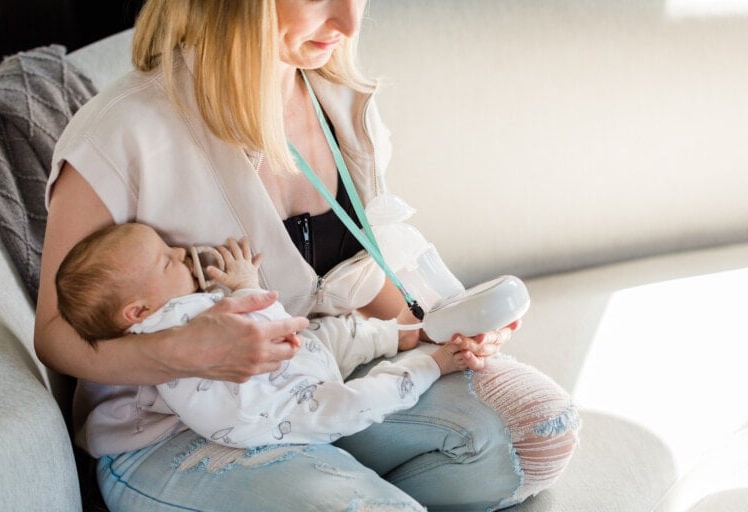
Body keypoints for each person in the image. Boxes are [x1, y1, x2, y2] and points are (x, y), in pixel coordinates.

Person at [34, 0, 580, 510]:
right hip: (176, 428)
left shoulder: (339, 100)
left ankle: (326, 482)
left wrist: (438, 326)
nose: (348, 22)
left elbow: (352, 275)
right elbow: (55, 334)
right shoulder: (122, 132)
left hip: (321, 380)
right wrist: (179, 351)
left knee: (541, 431)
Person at [56, 222, 474, 447]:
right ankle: (427, 367)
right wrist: (245, 285)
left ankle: (392, 336)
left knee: (327, 337)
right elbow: (263, 325)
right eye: (167, 261)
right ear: (137, 312)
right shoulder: (168, 324)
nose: (182, 253)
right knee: (358, 400)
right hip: (279, 412)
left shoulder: (175, 313)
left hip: (289, 370)